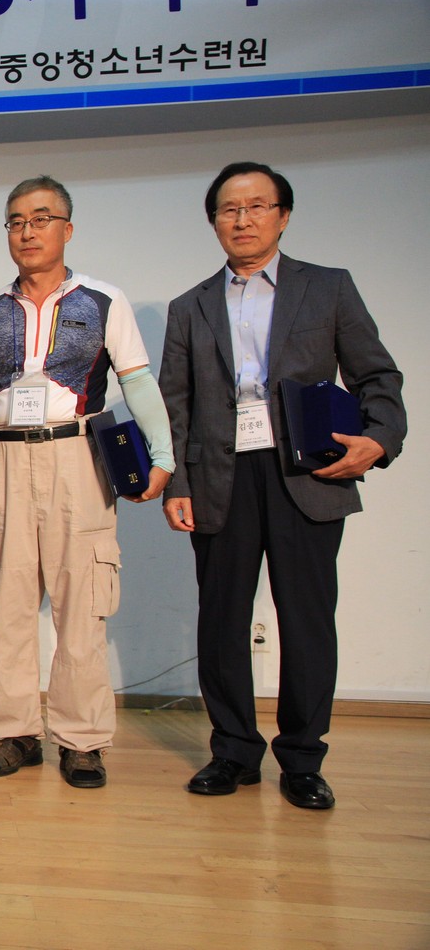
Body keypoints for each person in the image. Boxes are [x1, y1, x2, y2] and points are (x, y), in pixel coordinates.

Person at [160, 161, 405, 810]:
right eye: (228, 209)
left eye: (256, 206)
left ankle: (302, 758)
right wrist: (177, 482)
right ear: (214, 221)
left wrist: (379, 438)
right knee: (221, 621)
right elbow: (174, 403)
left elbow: (377, 376)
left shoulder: (328, 288)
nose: (242, 219)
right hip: (220, 477)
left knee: (306, 621)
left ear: (284, 216)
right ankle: (234, 752)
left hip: (308, 470)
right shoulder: (190, 307)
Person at [0, 176, 174, 789]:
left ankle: (82, 739)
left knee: (83, 602)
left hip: (79, 457)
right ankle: (15, 731)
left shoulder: (103, 300)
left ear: (67, 229)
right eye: (16, 221)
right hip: (7, 461)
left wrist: (162, 456)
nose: (28, 231)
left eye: (41, 218)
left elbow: (137, 380)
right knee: (9, 601)